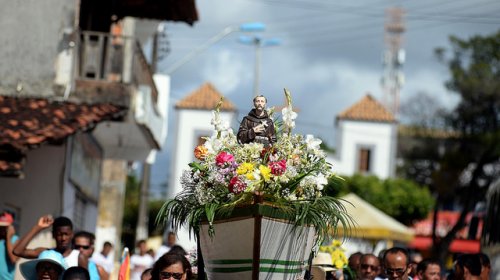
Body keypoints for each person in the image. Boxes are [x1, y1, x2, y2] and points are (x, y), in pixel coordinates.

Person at [14, 215, 79, 266]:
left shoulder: (79, 256)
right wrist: (38, 227)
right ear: (53, 235)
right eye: (59, 234)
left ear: (72, 235)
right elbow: (18, 251)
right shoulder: (46, 254)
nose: (63, 238)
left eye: (66, 234)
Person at [0, 212, 19, 280]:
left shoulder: (15, 240)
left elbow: (13, 259)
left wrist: (8, 237)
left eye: (5, 227)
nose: (2, 229)